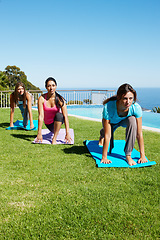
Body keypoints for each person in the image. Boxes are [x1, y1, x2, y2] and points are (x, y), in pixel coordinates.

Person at [99, 83, 148, 166]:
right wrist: (104, 157)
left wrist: (142, 156)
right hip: (112, 122)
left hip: (125, 121)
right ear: (119, 97)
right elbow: (108, 136)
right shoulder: (108, 107)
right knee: (105, 133)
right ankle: (101, 136)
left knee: (132, 120)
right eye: (125, 98)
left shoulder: (136, 108)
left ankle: (128, 155)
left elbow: (139, 134)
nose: (128, 102)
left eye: (130, 98)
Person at [35, 77, 72, 144]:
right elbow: (40, 116)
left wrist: (67, 133)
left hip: (58, 121)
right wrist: (39, 133)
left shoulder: (60, 99)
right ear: (46, 87)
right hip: (49, 124)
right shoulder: (42, 99)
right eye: (49, 86)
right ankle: (55, 132)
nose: (51, 88)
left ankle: (54, 138)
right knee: (58, 116)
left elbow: (65, 116)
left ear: (56, 86)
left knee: (59, 115)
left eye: (53, 85)